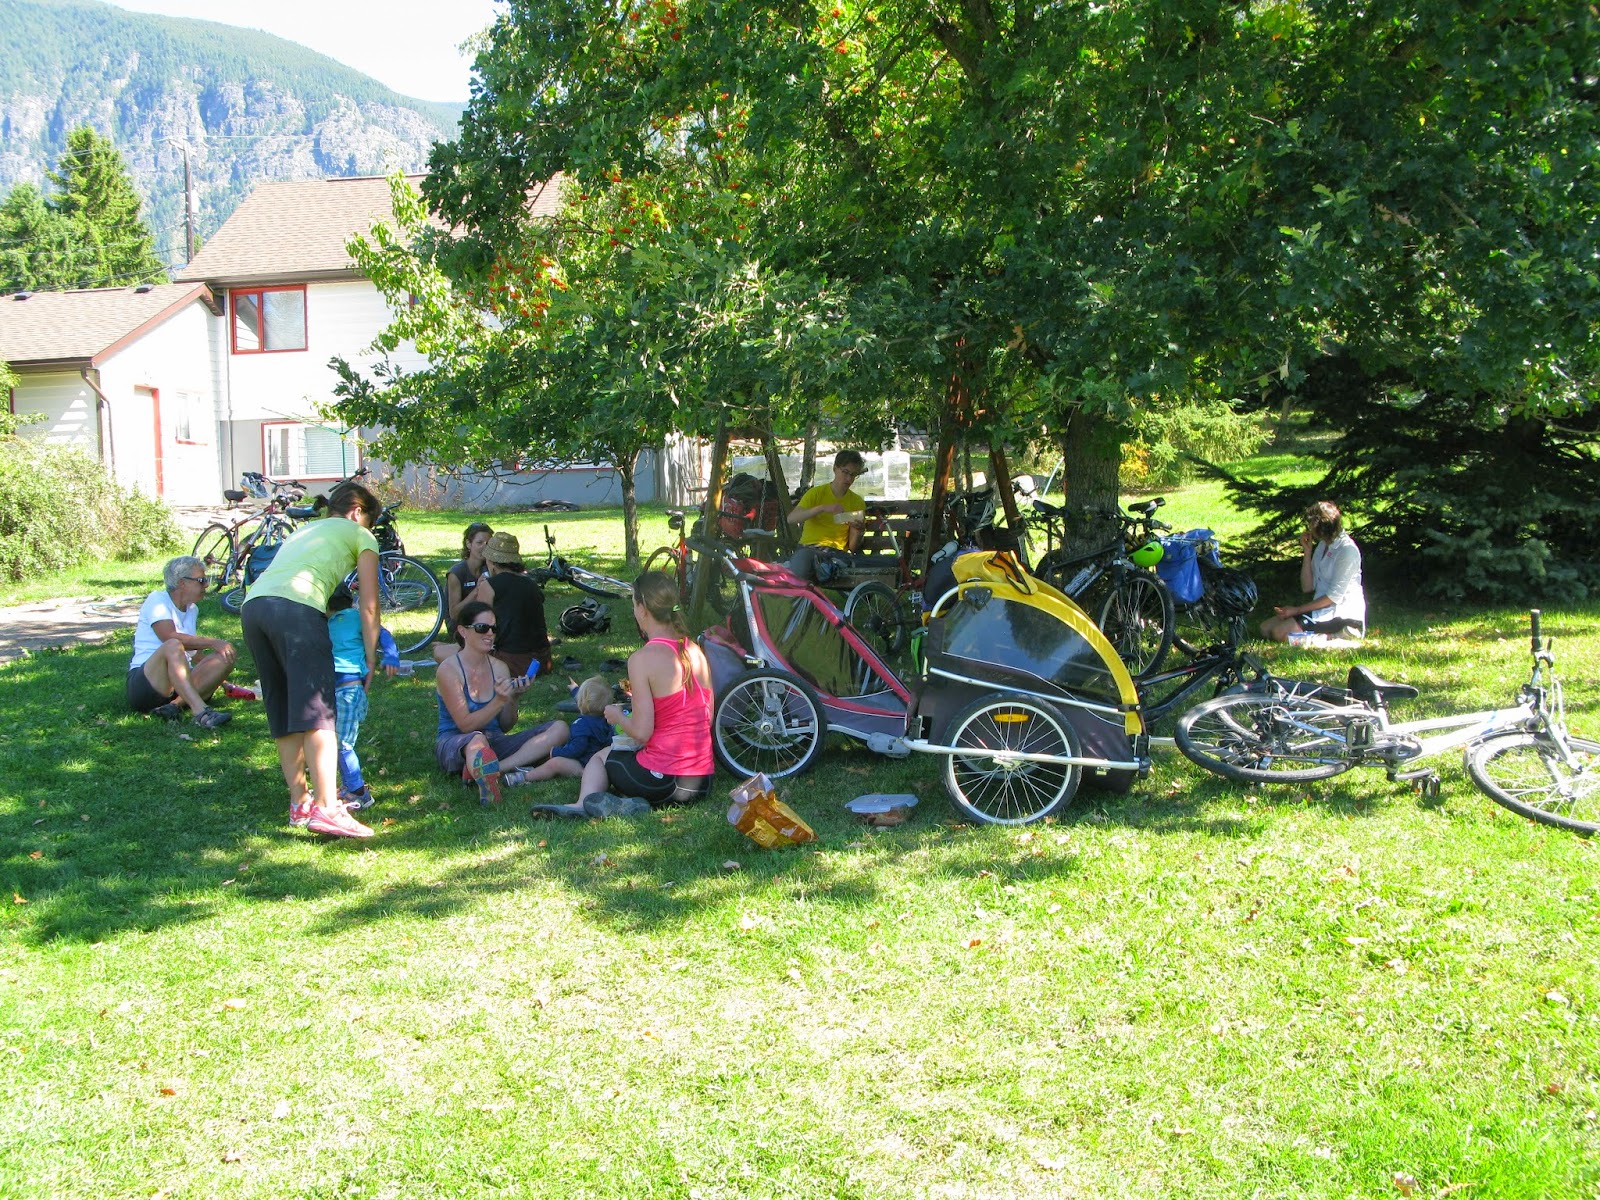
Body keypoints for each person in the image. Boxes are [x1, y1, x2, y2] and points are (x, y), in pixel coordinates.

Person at [240, 481, 382, 839]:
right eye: (370, 521)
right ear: (357, 512)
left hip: (254, 608)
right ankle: (328, 808)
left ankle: (300, 803)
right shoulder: (360, 534)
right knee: (320, 711)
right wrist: (370, 655)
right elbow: (368, 604)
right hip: (298, 610)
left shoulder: (305, 530)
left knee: (284, 708)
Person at [532, 572, 713, 818]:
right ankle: (628, 802)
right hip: (701, 782)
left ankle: (582, 805)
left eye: (633, 604)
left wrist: (617, 716)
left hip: (664, 781)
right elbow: (706, 719)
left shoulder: (642, 659)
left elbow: (642, 732)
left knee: (601, 757)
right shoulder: (695, 651)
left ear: (643, 609)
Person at [434, 599, 569, 805]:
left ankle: (493, 769)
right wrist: (498, 701)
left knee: (560, 728)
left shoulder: (499, 667)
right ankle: (484, 772)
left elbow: (505, 725)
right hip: (456, 742)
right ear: (463, 631)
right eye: (482, 628)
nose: (490, 633)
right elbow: (465, 725)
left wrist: (513, 698)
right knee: (477, 740)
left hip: (495, 742)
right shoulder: (449, 670)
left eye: (494, 628)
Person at [126, 554, 239, 729]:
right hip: (147, 685)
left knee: (225, 655)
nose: (206, 585)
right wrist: (212, 642)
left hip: (178, 686)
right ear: (182, 583)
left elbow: (194, 654)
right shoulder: (157, 600)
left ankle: (173, 706)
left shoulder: (192, 609)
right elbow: (169, 636)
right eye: (201, 580)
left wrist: (221, 678)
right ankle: (201, 712)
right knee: (173, 644)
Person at [327, 585, 400, 811]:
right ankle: (348, 787)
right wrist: (391, 655)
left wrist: (391, 657)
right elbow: (383, 634)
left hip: (348, 690)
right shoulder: (353, 618)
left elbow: (381, 633)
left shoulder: (340, 620)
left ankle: (359, 792)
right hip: (344, 690)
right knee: (335, 741)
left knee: (342, 744)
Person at [1261, 500, 1367, 643]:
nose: (1309, 529)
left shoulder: (1347, 551)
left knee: (1278, 633)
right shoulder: (1322, 545)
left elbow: (1333, 597)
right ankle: (1322, 635)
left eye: (1311, 525)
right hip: (1319, 609)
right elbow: (1307, 587)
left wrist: (1297, 610)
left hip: (1341, 613)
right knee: (1265, 628)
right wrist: (1307, 552)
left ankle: (1333, 637)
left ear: (1321, 528)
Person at [502, 675, 615, 786]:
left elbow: (576, 749)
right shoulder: (606, 721)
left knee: (555, 763)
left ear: (581, 702)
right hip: (598, 762)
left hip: (583, 763)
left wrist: (556, 751)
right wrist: (574, 689)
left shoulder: (582, 725)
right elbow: (586, 701)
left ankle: (525, 777)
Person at [473, 531, 553, 678]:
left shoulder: (489, 586)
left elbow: (480, 629)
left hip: (513, 661)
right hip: (542, 660)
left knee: (442, 652)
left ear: (492, 562)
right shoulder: (531, 583)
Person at [783, 449, 868, 582]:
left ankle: (821, 573)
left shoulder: (857, 502)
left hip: (836, 553)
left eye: (853, 475)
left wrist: (859, 530)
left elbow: (852, 547)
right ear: (835, 469)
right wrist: (822, 508)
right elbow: (791, 519)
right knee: (805, 560)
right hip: (809, 548)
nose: (848, 479)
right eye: (845, 472)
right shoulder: (816, 493)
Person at [432, 521, 493, 664]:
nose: (484, 547)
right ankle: (452, 647)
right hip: (460, 623)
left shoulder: (489, 568)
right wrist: (476, 591)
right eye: (479, 543)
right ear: (469, 544)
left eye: (488, 543)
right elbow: (454, 614)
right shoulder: (457, 573)